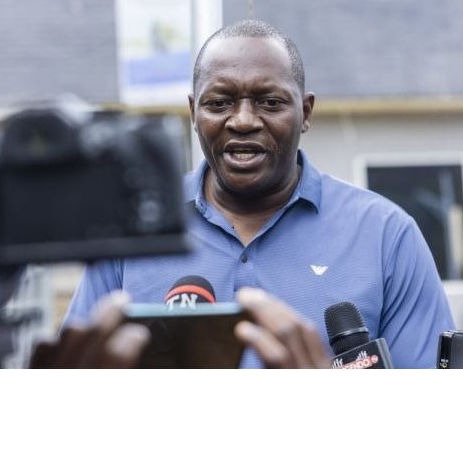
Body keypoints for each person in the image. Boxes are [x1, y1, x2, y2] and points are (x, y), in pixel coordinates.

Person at [64, 19, 454, 368]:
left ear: (306, 112)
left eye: (270, 102)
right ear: (194, 113)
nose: (244, 121)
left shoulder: (386, 235)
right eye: (219, 103)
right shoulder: (131, 229)